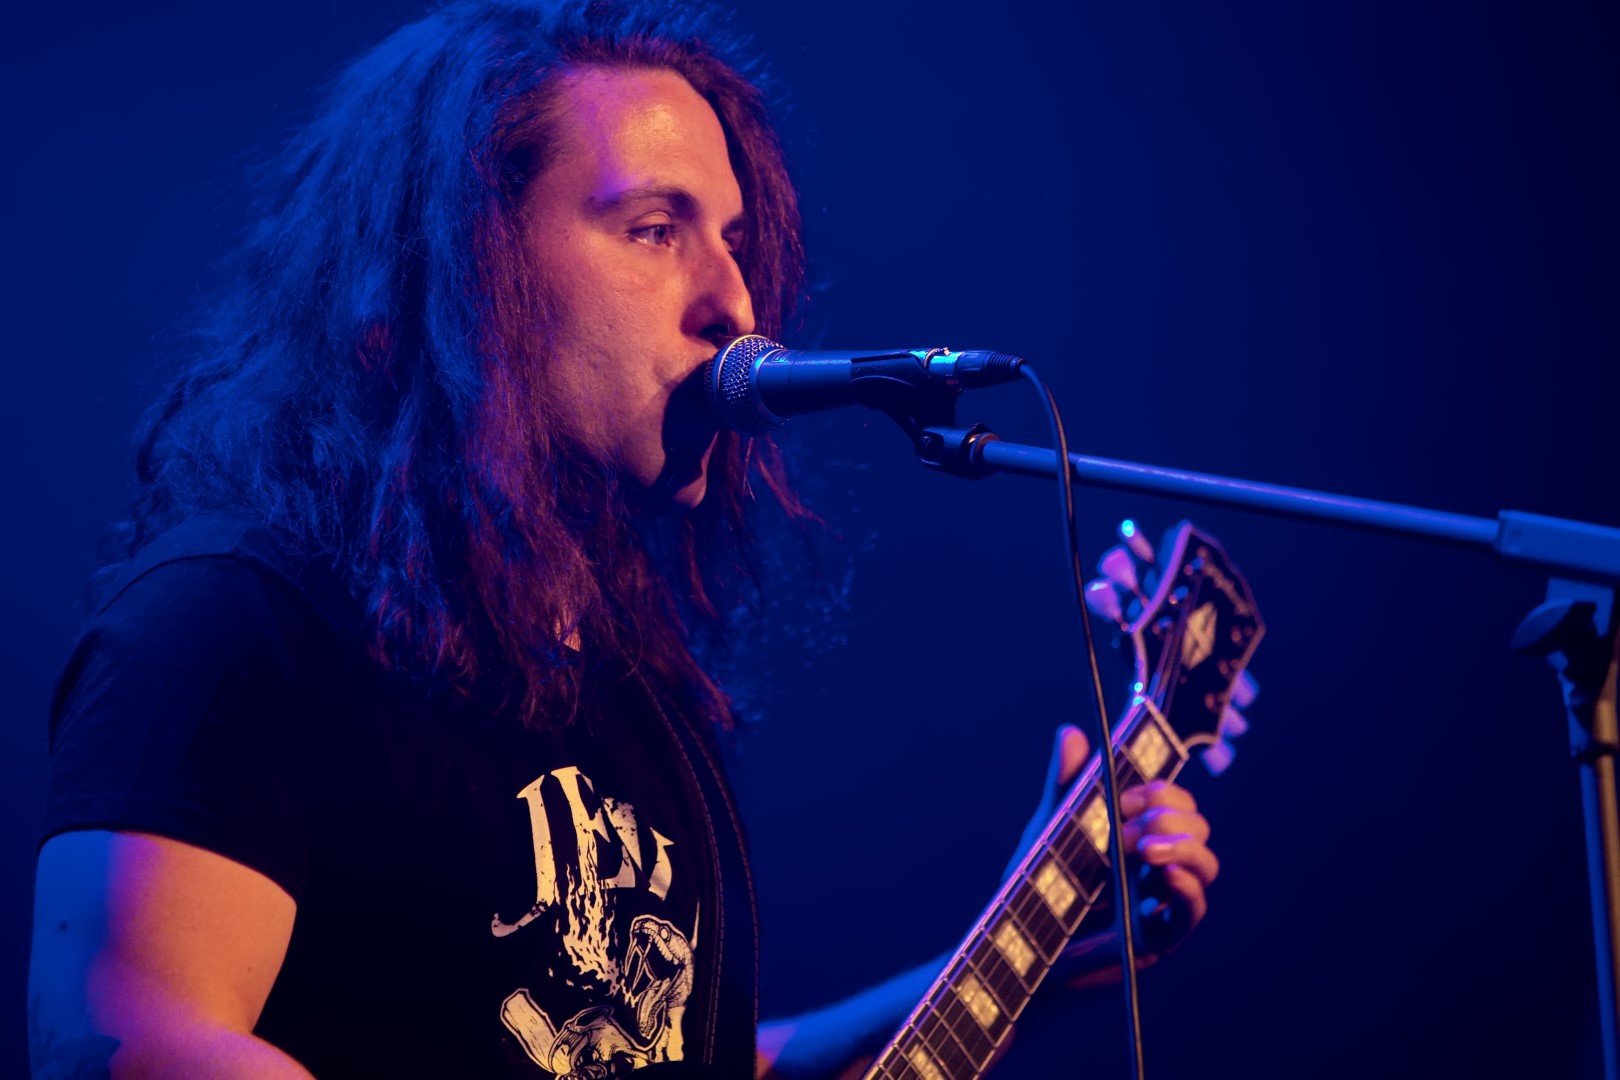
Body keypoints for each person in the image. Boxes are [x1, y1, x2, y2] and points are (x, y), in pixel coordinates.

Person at [27, 2, 1220, 1076]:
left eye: (734, 240)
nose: (735, 303)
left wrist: (1033, 952)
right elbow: (125, 1040)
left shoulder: (629, 693)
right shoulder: (236, 621)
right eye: (655, 229)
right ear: (467, 268)